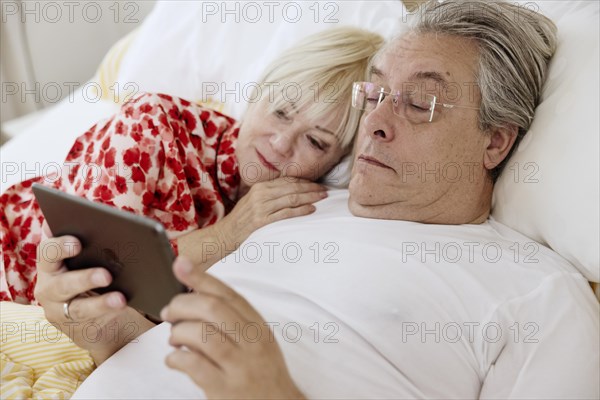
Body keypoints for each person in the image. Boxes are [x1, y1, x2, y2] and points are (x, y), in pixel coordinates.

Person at [33, 1, 600, 399]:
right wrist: (107, 331)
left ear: (495, 141)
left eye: (420, 103)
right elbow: (174, 357)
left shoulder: (539, 297)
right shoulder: (287, 205)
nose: (374, 122)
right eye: (374, 93)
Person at [0, 27, 384, 304]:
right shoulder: (151, 124)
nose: (282, 144)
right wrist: (231, 231)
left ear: (336, 162)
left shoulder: (303, 209)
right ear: (255, 95)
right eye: (281, 111)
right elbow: (98, 271)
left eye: (316, 141)